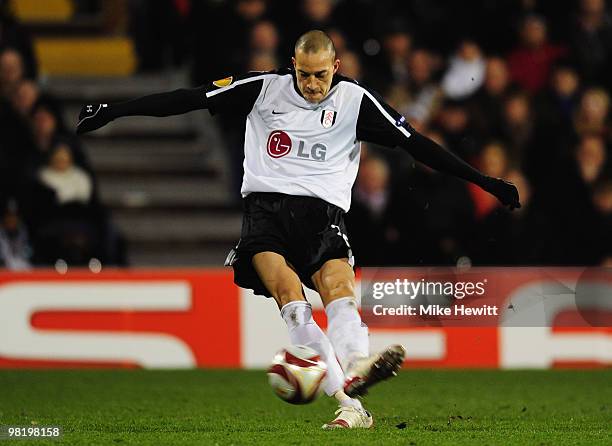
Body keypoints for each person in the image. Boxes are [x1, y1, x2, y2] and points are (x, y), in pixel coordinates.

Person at [76, 30, 520, 429]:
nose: (311, 85)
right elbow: (187, 98)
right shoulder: (263, 89)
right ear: (293, 66)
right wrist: (114, 111)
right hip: (266, 215)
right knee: (290, 297)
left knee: (339, 288)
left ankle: (354, 375)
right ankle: (350, 397)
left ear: (336, 68)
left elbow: (418, 145)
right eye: (304, 75)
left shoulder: (355, 101)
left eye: (320, 76)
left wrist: (485, 182)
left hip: (323, 216)